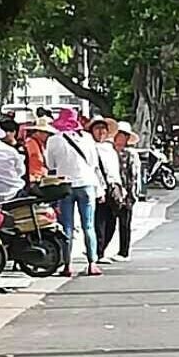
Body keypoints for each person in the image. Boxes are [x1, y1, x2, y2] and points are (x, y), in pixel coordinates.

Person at [46, 107, 102, 276]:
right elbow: (93, 163)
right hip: (87, 184)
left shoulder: (54, 140)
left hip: (65, 186)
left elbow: (51, 165)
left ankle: (67, 265)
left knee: (67, 227)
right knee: (89, 225)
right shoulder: (87, 138)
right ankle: (92, 264)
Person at [90, 116, 123, 265]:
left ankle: (102, 249)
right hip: (99, 189)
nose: (101, 132)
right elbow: (93, 170)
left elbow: (115, 170)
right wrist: (99, 190)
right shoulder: (90, 147)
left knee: (112, 221)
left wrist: (120, 187)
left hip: (113, 188)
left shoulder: (110, 149)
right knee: (100, 221)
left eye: (103, 129)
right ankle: (98, 251)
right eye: (97, 129)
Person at [110, 121, 142, 262]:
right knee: (109, 222)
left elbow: (134, 175)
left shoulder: (130, 154)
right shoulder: (108, 151)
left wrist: (133, 194)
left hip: (127, 192)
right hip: (112, 191)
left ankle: (124, 251)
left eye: (123, 136)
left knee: (124, 223)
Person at [24, 116, 56, 183]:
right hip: (34, 178)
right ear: (39, 132)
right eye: (47, 133)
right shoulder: (30, 143)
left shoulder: (41, 143)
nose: (48, 136)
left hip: (41, 177)